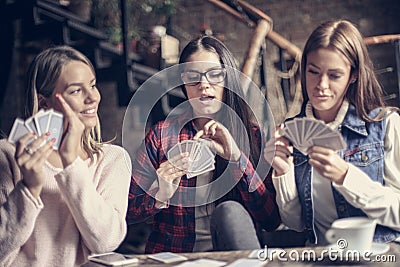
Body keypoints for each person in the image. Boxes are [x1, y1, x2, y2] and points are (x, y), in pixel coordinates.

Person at [126, 35, 280, 253]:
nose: (204, 85)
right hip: (175, 256)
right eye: (193, 77)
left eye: (214, 75)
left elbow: (270, 220)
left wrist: (237, 159)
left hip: (232, 256)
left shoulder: (253, 136)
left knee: (229, 210)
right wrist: (159, 194)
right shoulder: (161, 135)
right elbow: (128, 213)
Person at [264, 19, 400, 246]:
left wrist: (346, 177)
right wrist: (283, 173)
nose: (321, 85)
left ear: (353, 75)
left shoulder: (385, 124)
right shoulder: (290, 132)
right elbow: (297, 224)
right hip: (319, 256)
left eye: (334, 75)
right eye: (313, 71)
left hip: (377, 256)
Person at [0, 46, 132, 266]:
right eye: (76, 90)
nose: (92, 98)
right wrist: (29, 189)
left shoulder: (112, 159)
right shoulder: (7, 156)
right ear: (45, 103)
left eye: (92, 85)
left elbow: (105, 242)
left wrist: (71, 163)